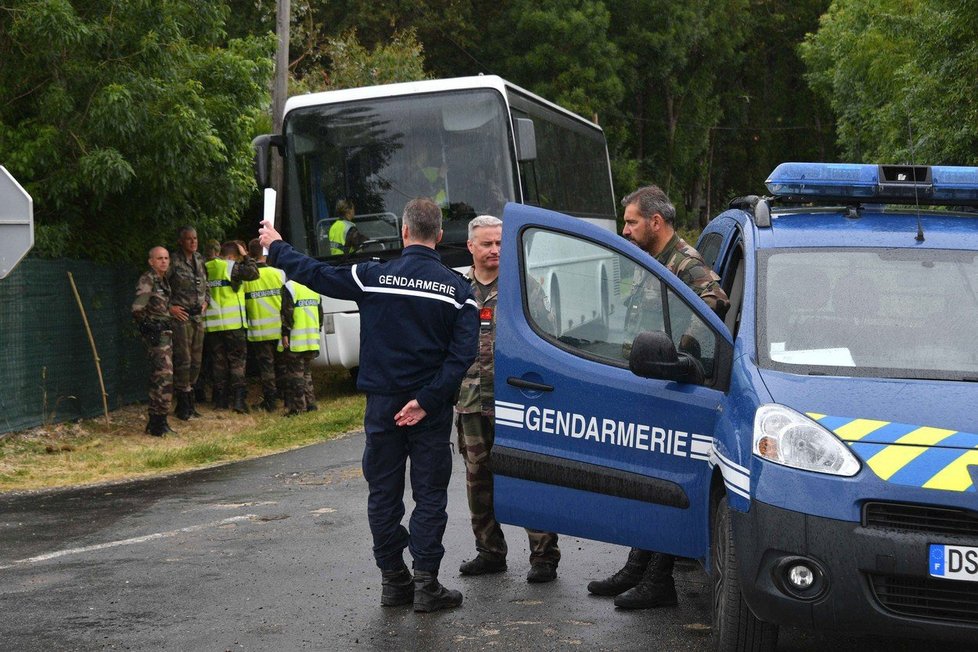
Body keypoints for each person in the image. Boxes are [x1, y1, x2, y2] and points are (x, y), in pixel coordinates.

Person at [259, 197, 478, 613]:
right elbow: (461, 356)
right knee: (430, 495)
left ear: (405, 232)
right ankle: (426, 585)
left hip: (382, 406)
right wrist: (426, 402)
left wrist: (276, 245)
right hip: (428, 411)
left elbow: (316, 273)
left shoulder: (374, 275)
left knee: (384, 493)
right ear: (441, 235)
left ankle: (394, 581)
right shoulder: (458, 291)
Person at [587, 185, 730, 610]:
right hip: (649, 384)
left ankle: (658, 581)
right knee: (647, 480)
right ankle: (637, 566)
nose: (625, 229)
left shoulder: (685, 262)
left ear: (655, 222)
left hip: (674, 387)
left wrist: (681, 353)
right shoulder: (651, 260)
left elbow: (714, 301)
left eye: (631, 221)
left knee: (666, 482)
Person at [455, 215, 561, 583]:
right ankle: (489, 551)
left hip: (516, 399)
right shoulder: (457, 288)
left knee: (527, 474)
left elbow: (548, 340)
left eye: (500, 243)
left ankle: (544, 556)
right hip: (470, 402)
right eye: (487, 244)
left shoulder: (523, 286)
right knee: (477, 479)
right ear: (471, 246)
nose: (495, 250)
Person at [204, 240, 259, 413]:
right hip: (233, 324)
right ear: (230, 256)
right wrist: (246, 256)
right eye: (236, 258)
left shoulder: (205, 268)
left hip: (212, 326)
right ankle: (239, 400)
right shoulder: (228, 266)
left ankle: (220, 401)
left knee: (218, 363)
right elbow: (253, 273)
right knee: (237, 363)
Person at [166, 226, 209, 421]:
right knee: (183, 359)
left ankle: (190, 402)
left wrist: (206, 301)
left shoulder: (199, 259)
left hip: (197, 317)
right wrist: (170, 307)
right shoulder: (173, 261)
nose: (193, 242)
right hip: (181, 318)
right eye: (189, 239)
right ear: (181, 241)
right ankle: (183, 403)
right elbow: (159, 286)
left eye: (195, 238)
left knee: (196, 360)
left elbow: (206, 283)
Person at [133, 246, 175, 437]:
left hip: (165, 333)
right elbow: (137, 308)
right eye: (159, 258)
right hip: (157, 335)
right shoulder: (148, 279)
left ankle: (158, 421)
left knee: (163, 376)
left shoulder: (162, 279)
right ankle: (158, 423)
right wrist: (149, 328)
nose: (164, 261)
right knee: (163, 376)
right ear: (151, 261)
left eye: (166, 258)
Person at [243, 238, 286, 412]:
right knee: (282, 365)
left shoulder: (247, 278)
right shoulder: (279, 274)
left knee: (266, 368)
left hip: (259, 330)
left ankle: (270, 401)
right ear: (265, 253)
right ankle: (286, 396)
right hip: (279, 329)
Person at [278, 278, 323, 415]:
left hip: (296, 339)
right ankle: (311, 404)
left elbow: (287, 312)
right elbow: (320, 313)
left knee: (295, 374)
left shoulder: (290, 287)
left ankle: (298, 407)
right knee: (307, 372)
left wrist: (285, 333)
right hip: (312, 337)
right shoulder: (314, 285)